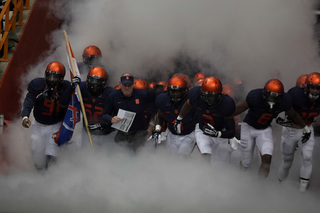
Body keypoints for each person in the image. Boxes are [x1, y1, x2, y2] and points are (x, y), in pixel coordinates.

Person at [233, 79, 310, 178]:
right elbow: (236, 110)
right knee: (246, 161)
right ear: (264, 93)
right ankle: (241, 179)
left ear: (281, 97)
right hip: (248, 128)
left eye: (276, 97)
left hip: (264, 129)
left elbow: (294, 115)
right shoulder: (255, 96)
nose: (272, 99)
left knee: (267, 159)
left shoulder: (285, 101)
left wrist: (305, 127)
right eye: (270, 96)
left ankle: (260, 187)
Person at [21, 61, 75, 170]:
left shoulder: (66, 87)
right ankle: (41, 176)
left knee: (52, 154)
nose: (52, 80)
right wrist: (25, 116)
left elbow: (65, 104)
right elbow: (29, 100)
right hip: (38, 125)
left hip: (55, 125)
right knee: (36, 151)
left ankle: (50, 178)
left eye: (55, 77)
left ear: (61, 78)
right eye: (49, 76)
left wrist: (73, 86)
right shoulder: (38, 85)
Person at [174, 76, 236, 163]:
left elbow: (231, 131)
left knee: (221, 164)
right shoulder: (195, 94)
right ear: (201, 93)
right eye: (206, 96)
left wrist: (218, 134)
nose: (208, 100)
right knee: (206, 155)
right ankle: (205, 175)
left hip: (220, 133)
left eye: (212, 97)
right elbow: (188, 104)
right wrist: (179, 118)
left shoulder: (227, 103)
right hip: (202, 130)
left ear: (219, 95)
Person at [277, 72, 320, 192]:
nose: (315, 91)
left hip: (308, 129)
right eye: (313, 87)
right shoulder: (295, 94)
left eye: (318, 88)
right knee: (287, 161)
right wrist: (281, 120)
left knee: (307, 158)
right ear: (306, 87)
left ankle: (302, 191)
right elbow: (282, 109)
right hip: (291, 130)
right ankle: (280, 186)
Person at [102, 73, 157, 152]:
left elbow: (155, 108)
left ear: (133, 84)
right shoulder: (113, 96)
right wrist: (111, 119)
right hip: (123, 133)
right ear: (120, 84)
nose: (127, 88)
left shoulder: (143, 94)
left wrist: (150, 128)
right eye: (124, 85)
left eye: (129, 85)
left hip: (139, 133)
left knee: (139, 157)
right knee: (122, 156)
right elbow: (104, 114)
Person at [154, 76, 196, 156]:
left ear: (185, 91)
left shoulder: (191, 100)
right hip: (172, 135)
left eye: (178, 92)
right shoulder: (163, 99)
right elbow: (160, 116)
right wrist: (158, 130)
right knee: (171, 159)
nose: (175, 95)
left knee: (181, 157)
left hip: (188, 135)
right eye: (173, 91)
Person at [78, 66, 115, 148]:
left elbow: (119, 117)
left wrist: (102, 125)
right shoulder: (82, 87)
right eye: (92, 81)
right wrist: (74, 85)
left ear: (104, 83)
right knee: (85, 157)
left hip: (107, 134)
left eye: (97, 82)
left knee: (107, 158)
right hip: (88, 133)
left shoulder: (112, 94)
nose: (94, 85)